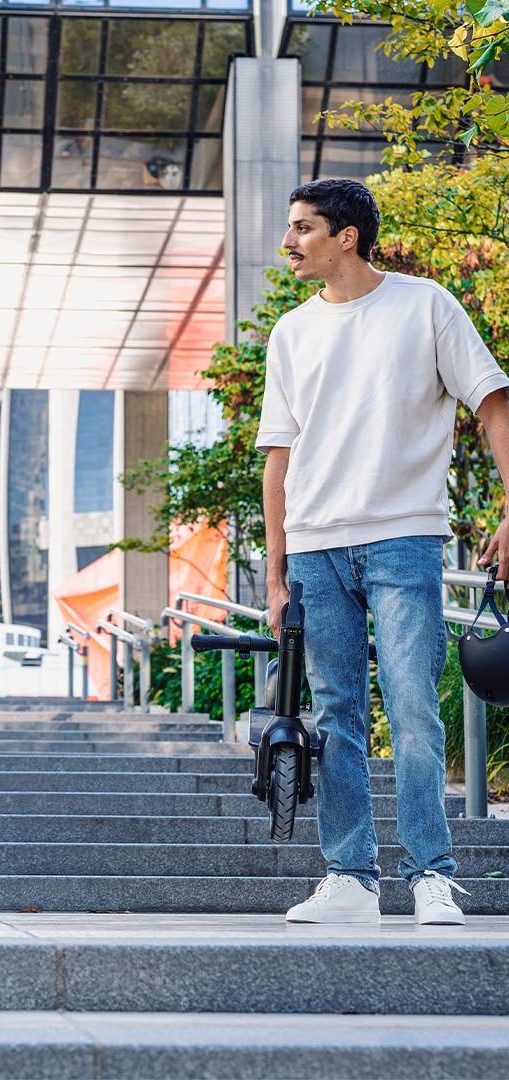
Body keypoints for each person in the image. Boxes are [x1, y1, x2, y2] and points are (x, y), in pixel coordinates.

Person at [256, 178, 509, 926]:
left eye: (303, 228)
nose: (289, 242)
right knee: (334, 716)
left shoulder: (426, 305)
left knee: (411, 709)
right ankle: (352, 878)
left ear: (347, 237)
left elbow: (494, 404)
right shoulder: (291, 332)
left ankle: (431, 873)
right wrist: (275, 573)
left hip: (404, 537)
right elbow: (278, 458)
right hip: (315, 551)